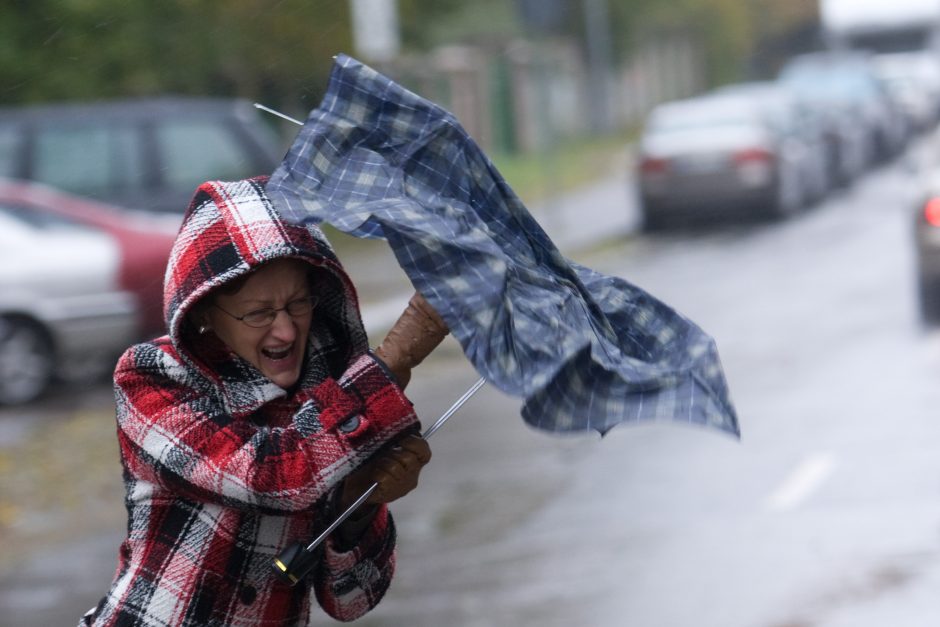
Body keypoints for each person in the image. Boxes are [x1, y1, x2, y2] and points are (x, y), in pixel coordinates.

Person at [79, 176, 450, 626]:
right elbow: (270, 476)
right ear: (205, 314)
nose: (287, 330)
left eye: (298, 304)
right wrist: (396, 358)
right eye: (258, 313)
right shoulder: (152, 377)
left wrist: (359, 503)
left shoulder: (331, 396)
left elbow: (352, 601)